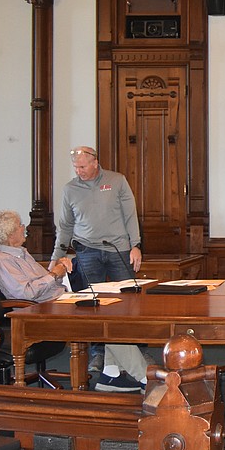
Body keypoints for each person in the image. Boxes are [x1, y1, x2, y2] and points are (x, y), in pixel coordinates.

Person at [0, 210, 146, 392]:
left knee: (112, 311)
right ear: (9, 234)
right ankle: (143, 377)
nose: (24, 228)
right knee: (107, 319)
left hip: (58, 301)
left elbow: (44, 282)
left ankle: (111, 376)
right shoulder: (2, 260)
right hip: (38, 311)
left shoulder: (20, 254)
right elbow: (26, 293)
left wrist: (59, 269)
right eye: (19, 226)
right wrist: (54, 274)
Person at [50, 145, 144, 372]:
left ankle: (135, 350)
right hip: (87, 251)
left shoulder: (117, 180)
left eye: (82, 166)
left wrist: (136, 245)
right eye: (75, 167)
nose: (78, 171)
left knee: (129, 302)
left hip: (118, 249)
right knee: (94, 304)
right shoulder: (70, 189)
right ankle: (98, 353)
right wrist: (57, 256)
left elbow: (130, 215)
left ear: (95, 162)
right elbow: (65, 226)